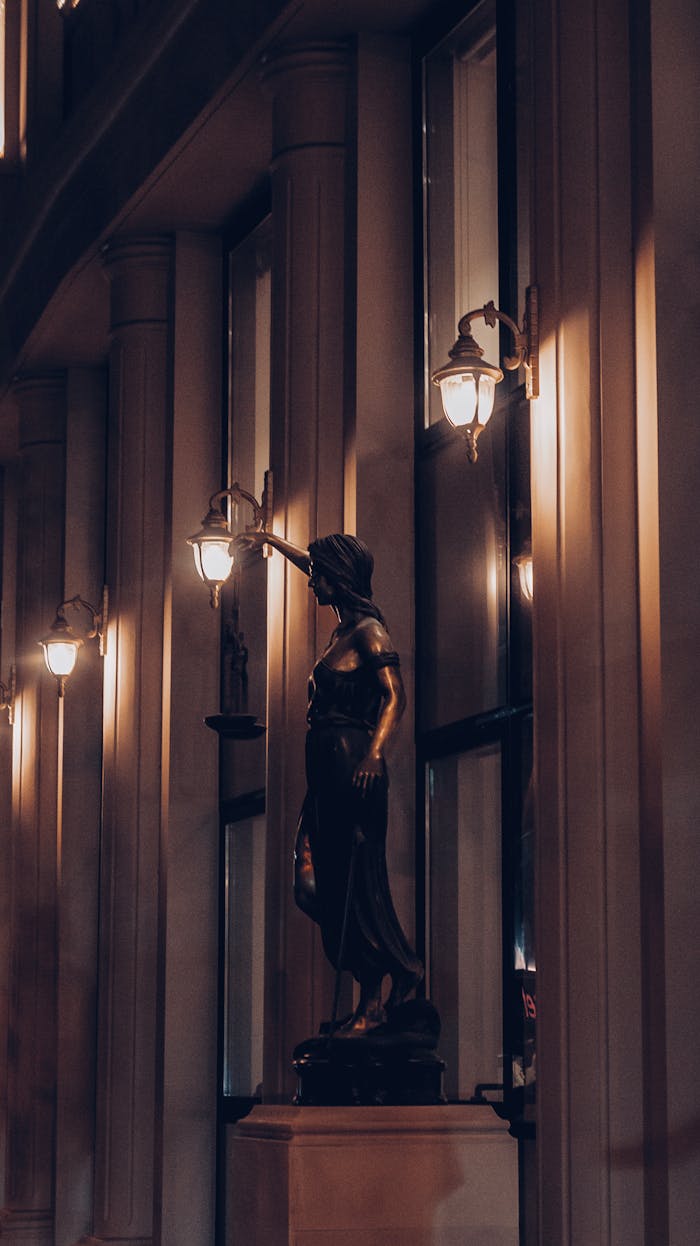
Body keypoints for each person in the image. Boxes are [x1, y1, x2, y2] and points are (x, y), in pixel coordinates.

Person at [240, 529, 423, 1035]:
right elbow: (308, 564)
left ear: (339, 578)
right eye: (312, 570)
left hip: (352, 765)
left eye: (320, 573)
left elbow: (394, 697)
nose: (311, 580)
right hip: (324, 766)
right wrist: (269, 538)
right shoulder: (342, 628)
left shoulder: (369, 632)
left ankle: (375, 997)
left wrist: (374, 753)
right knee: (311, 883)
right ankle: (389, 973)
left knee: (354, 881)